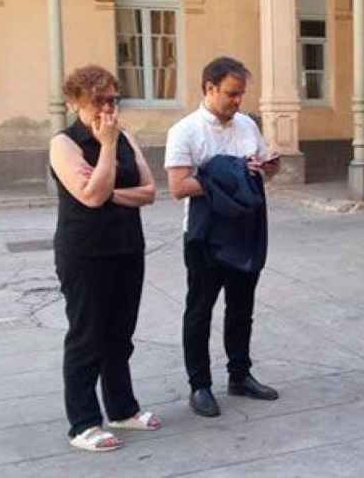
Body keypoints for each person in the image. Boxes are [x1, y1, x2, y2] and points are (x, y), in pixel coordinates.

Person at [49, 65, 161, 452]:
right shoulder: (65, 143)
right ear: (75, 102)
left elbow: (148, 191)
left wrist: (110, 190)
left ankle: (122, 408)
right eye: (98, 100)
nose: (108, 108)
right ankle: (82, 423)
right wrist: (108, 147)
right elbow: (91, 197)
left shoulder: (126, 134)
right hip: (85, 253)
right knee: (87, 336)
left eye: (113, 99)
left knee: (119, 335)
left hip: (127, 246)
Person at [164, 56, 281, 418]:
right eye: (231, 94)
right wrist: (230, 173)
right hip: (205, 234)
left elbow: (263, 170)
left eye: (241, 94)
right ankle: (199, 385)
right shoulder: (185, 131)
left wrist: (268, 166)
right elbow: (178, 186)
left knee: (241, 308)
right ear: (209, 88)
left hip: (245, 229)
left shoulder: (247, 125)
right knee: (199, 310)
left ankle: (239, 374)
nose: (237, 102)